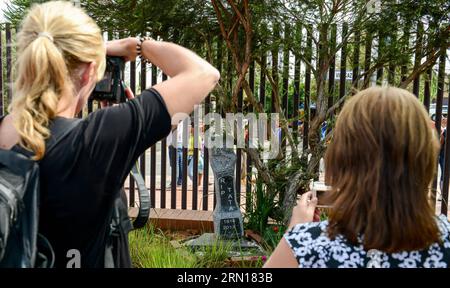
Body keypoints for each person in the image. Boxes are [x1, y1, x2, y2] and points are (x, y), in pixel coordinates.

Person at [0, 1, 219, 268]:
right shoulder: (96, 140)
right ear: (91, 70)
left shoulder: (5, 133)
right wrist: (138, 46)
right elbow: (204, 73)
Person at [264, 86, 450, 268]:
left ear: (340, 159)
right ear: (426, 158)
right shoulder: (445, 244)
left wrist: (294, 231)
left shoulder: (307, 246)